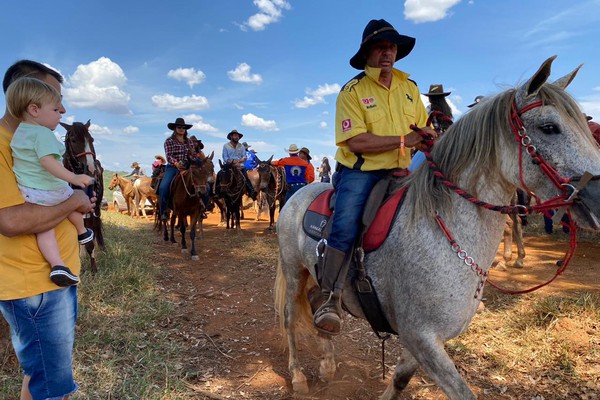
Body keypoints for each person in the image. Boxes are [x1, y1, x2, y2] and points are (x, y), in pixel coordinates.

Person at [313, 19, 436, 335]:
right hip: (360, 172)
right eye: (381, 46)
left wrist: (429, 137)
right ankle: (329, 297)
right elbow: (355, 141)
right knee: (346, 224)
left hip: (402, 170)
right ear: (367, 52)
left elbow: (420, 131)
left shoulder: (409, 89)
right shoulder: (352, 92)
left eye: (392, 46)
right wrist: (402, 141)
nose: (388, 52)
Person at [0, 59, 95, 400]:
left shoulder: (35, 139)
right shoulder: (2, 144)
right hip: (34, 286)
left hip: (48, 283)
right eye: (55, 95)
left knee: (37, 375)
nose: (64, 106)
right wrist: (74, 202)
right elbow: (11, 221)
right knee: (52, 387)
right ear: (29, 98)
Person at [6, 76, 95, 287]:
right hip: (50, 187)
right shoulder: (43, 134)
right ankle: (83, 232)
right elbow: (48, 161)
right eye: (55, 110)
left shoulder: (19, 134)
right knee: (72, 197)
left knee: (44, 230)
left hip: (29, 192)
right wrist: (73, 178)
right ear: (35, 110)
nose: (61, 112)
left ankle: (57, 265)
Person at [158, 117, 195, 221]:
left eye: (183, 127)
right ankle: (164, 211)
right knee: (163, 187)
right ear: (175, 128)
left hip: (187, 166)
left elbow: (192, 154)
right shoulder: (169, 141)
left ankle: (202, 206)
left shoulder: (189, 142)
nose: (181, 129)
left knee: (202, 182)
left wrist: (193, 160)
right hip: (173, 167)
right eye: (179, 127)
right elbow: (168, 156)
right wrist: (176, 163)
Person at [217, 129, 257, 200]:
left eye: (237, 136)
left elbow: (244, 157)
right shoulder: (226, 146)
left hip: (240, 166)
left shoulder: (241, 146)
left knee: (245, 177)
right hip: (229, 166)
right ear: (231, 136)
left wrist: (237, 162)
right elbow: (225, 157)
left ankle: (251, 191)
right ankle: (217, 193)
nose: (236, 137)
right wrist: (232, 162)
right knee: (219, 174)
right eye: (235, 135)